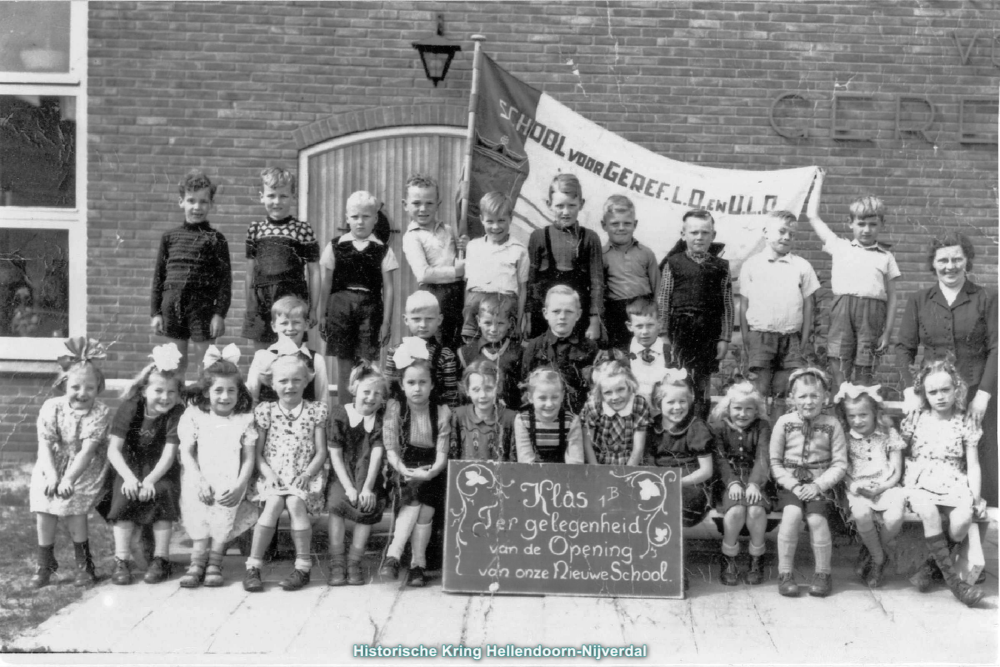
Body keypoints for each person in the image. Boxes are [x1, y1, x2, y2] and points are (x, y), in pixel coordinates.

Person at [896, 232, 997, 508]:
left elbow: (996, 349)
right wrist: (910, 391)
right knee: (934, 459)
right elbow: (903, 349)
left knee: (982, 459)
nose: (949, 266)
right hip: (934, 397)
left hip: (976, 393)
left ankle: (977, 529)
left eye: (956, 259)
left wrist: (984, 395)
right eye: (943, 260)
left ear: (967, 261)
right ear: (933, 264)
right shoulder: (920, 300)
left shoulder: (987, 297)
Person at [98, 343, 186, 586]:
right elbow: (114, 450)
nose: (165, 397)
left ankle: (161, 558)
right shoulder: (131, 407)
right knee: (124, 496)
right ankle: (121, 560)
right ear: (144, 389)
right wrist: (128, 478)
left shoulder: (176, 412)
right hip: (129, 466)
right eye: (158, 390)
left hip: (159, 469)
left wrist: (150, 480)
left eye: (171, 392)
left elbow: (169, 455)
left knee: (164, 493)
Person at [804, 169, 901, 387]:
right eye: (861, 224)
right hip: (842, 309)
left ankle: (860, 408)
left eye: (873, 224)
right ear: (850, 223)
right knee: (838, 359)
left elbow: (893, 297)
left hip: (873, 312)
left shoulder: (886, 257)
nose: (867, 230)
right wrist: (819, 181)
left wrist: (887, 332)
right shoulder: (840, 247)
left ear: (881, 225)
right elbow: (812, 216)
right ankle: (841, 402)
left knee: (865, 366)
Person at [901, 360, 985, 607]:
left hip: (953, 480)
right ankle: (956, 585)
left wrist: (976, 497)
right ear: (925, 394)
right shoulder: (917, 419)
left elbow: (973, 465)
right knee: (928, 512)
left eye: (945, 390)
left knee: (961, 522)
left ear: (956, 390)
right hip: (921, 480)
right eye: (933, 392)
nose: (939, 397)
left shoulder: (964, 421)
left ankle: (931, 568)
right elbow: (896, 449)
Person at [29, 337, 111, 588]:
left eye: (89, 388)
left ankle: (84, 565)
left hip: (83, 468)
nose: (82, 393)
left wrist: (67, 480)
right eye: (75, 387)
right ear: (64, 384)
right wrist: (53, 476)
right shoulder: (51, 407)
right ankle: (45, 563)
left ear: (98, 387)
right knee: (44, 504)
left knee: (73, 505)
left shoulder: (100, 411)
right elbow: (45, 445)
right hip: (52, 462)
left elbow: (87, 452)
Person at [243, 355, 328, 593]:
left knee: (295, 504)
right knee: (272, 505)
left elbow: (321, 452)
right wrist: (268, 473)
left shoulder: (315, 411)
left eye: (296, 380)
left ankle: (303, 567)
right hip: (273, 475)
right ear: (272, 384)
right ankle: (253, 566)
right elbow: (258, 454)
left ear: (305, 382)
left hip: (304, 475)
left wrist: (308, 473)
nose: (289, 386)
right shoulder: (266, 411)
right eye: (283, 381)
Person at [177, 345, 258, 589]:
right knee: (198, 517)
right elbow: (186, 452)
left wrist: (240, 485)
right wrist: (198, 480)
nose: (225, 397)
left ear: (239, 392)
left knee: (224, 518)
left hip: (230, 480)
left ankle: (215, 562)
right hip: (198, 478)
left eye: (231, 390)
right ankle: (197, 562)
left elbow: (249, 458)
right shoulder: (194, 415)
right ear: (206, 392)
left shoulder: (244, 419)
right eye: (218, 390)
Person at [769, 368, 847, 598]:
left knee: (816, 519)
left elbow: (840, 464)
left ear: (825, 397)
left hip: (820, 484)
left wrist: (818, 485)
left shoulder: (833, 425)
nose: (809, 401)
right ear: (792, 398)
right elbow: (775, 462)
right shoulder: (784, 423)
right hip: (790, 484)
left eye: (814, 395)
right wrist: (792, 484)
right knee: (792, 514)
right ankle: (784, 573)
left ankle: (823, 573)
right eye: (802, 396)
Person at [317, 190, 398, 405]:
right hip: (339, 307)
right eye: (354, 217)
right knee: (344, 366)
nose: (360, 222)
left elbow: (389, 289)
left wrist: (386, 322)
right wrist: (322, 314)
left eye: (366, 217)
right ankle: (344, 414)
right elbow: (326, 283)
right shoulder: (335, 246)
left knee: (366, 365)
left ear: (375, 219)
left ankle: (366, 415)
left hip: (370, 309)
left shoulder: (382, 250)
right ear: (347, 218)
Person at [150, 170, 231, 379]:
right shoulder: (169, 237)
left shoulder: (216, 239)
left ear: (211, 204)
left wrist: (219, 314)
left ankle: (203, 407)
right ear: (181, 202)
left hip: (202, 307)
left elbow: (224, 280)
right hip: (172, 305)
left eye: (203, 202)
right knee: (174, 364)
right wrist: (155, 312)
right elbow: (159, 277)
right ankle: (175, 407)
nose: (197, 207)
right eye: (191, 200)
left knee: (207, 364)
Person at [379, 355, 452, 588]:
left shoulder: (441, 412)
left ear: (432, 384)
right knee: (417, 504)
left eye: (422, 382)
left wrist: (430, 472)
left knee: (425, 507)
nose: (417, 388)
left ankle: (394, 557)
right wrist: (403, 470)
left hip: (432, 469)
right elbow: (391, 449)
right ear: (402, 385)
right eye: (411, 383)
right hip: (402, 467)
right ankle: (415, 565)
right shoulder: (395, 408)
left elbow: (441, 455)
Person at [739, 211, 820, 410]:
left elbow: (809, 305)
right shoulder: (752, 265)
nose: (787, 237)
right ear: (766, 232)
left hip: (790, 338)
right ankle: (760, 438)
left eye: (792, 234)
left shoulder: (802, 266)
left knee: (786, 391)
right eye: (782, 231)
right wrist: (746, 338)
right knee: (759, 388)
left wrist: (803, 340)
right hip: (760, 337)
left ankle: (781, 435)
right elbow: (744, 305)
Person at [655, 209, 732, 417]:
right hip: (680, 329)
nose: (699, 237)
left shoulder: (721, 266)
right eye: (694, 232)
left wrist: (724, 338)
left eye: (705, 232)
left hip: (709, 331)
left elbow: (726, 303)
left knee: (703, 379)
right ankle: (680, 425)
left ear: (713, 236)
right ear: (683, 234)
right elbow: (663, 299)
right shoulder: (674, 263)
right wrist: (664, 335)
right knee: (679, 378)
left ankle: (701, 425)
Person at [833, 382, 906, 589]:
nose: (857, 420)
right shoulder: (845, 438)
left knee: (894, 518)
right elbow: (842, 470)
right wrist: (854, 486)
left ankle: (871, 552)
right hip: (858, 486)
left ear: (874, 412)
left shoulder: (888, 434)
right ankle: (879, 560)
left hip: (887, 486)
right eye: (851, 416)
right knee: (862, 515)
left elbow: (896, 472)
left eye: (863, 415)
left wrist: (881, 488)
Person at [242, 167, 321, 349]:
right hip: (262, 298)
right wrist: (250, 305)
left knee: (291, 353)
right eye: (271, 196)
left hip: (291, 295)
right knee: (263, 355)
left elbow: (314, 272)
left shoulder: (303, 229)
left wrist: (313, 307)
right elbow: (249, 272)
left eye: (284, 196)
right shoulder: (255, 229)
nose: (277, 202)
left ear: (293, 197)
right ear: (262, 196)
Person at [326, 362, 389, 587]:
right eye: (366, 392)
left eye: (377, 394)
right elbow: (335, 455)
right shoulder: (340, 414)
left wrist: (366, 488)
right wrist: (350, 487)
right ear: (354, 389)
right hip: (342, 474)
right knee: (336, 504)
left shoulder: (380, 420)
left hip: (367, 477)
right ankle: (337, 562)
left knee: (367, 506)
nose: (371, 398)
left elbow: (376, 455)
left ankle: (354, 561)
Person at [709, 380, 773, 586]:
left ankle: (757, 557)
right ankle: (729, 557)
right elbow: (719, 459)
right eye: (737, 408)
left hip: (756, 478)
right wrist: (732, 482)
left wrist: (755, 483)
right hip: (728, 479)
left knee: (755, 510)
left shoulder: (762, 427)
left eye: (749, 409)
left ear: (757, 411)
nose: (742, 414)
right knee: (735, 510)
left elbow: (763, 456)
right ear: (728, 407)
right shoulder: (719, 427)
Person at [526, 173, 603, 340]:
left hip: (578, 318)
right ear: (549, 205)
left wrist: (594, 321)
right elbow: (530, 282)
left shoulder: (590, 238)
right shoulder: (539, 236)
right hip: (544, 318)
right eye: (560, 206)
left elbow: (597, 282)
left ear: (581, 204)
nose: (566, 212)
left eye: (571, 205)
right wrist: (528, 317)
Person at [400, 174, 467, 350]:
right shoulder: (412, 237)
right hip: (433, 295)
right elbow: (424, 273)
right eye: (416, 203)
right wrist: (455, 272)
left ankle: (453, 375)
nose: (423, 208)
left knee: (455, 340)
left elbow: (459, 260)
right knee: (433, 344)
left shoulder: (448, 230)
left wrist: (465, 247)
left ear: (438, 204)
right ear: (405, 205)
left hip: (456, 293)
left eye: (429, 203)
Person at [647, 369, 714, 529]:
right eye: (670, 402)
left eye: (682, 401)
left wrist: (677, 484)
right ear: (658, 403)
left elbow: (706, 471)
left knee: (672, 505)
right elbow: (649, 460)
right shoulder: (653, 427)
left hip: (689, 483)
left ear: (689, 401)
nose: (677, 407)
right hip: (660, 481)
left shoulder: (695, 427)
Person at [461, 192, 529, 342]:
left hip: (505, 303)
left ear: (510, 219)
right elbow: (468, 284)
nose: (496, 227)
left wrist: (518, 323)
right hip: (476, 304)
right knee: (472, 346)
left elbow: (522, 288)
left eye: (501, 220)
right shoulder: (473, 246)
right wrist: (467, 313)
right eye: (490, 221)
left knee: (505, 349)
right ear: (481, 220)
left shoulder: (519, 249)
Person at [521, 285, 599, 414]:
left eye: (568, 311)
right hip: (543, 416)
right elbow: (525, 386)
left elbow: (594, 388)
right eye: (556, 311)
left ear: (578, 314)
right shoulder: (535, 346)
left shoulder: (589, 347)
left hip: (578, 415)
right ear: (545, 313)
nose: (562, 316)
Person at [246, 296, 329, 407]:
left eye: (296, 322)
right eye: (284, 323)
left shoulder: (316, 360)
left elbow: (322, 400)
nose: (290, 328)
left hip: (305, 421)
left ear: (306, 324)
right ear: (274, 326)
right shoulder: (262, 356)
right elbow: (252, 396)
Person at [601, 195, 660, 351]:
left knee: (645, 355)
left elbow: (658, 290)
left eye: (627, 223)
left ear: (635, 224)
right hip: (616, 314)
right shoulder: (601, 256)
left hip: (644, 313)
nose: (621, 228)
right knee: (621, 356)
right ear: (604, 225)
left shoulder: (646, 253)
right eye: (615, 223)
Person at [384, 291, 460, 407]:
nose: (423, 324)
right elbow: (388, 390)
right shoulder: (395, 352)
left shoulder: (445, 355)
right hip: (401, 413)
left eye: (429, 319)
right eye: (416, 319)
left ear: (439, 320)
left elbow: (451, 396)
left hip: (434, 414)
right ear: (406, 319)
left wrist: (448, 416)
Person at [457, 294, 522, 411]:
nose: (493, 329)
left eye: (500, 323)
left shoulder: (518, 352)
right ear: (478, 321)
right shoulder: (466, 353)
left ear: (510, 323)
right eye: (488, 323)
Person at [580, 359, 649, 466]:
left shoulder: (638, 404)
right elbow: (587, 443)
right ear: (600, 394)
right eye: (608, 392)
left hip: (630, 463)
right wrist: (596, 471)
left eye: (621, 389)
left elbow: (638, 448)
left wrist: (626, 474)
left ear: (630, 387)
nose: (615, 397)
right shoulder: (593, 405)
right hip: (599, 463)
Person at [514, 367, 585, 464]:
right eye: (542, 398)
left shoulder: (571, 421)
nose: (549, 404)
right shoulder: (523, 421)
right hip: (533, 475)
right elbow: (525, 461)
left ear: (562, 396)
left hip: (564, 475)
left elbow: (575, 462)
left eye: (555, 397)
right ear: (530, 397)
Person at [451, 360, 517, 462]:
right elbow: (452, 461)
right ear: (467, 390)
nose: (482, 395)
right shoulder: (458, 416)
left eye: (489, 388)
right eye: (476, 389)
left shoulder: (510, 418)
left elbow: (515, 462)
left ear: (498, 387)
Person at [623, 297, 671, 408]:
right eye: (639, 326)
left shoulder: (668, 352)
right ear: (630, 326)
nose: (644, 332)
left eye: (650, 325)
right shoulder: (625, 355)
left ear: (659, 323)